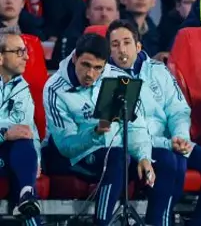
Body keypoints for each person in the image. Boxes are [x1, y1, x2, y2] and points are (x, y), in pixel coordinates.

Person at [106, 20, 201, 226]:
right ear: (109, 50)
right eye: (115, 44)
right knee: (171, 162)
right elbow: (126, 128)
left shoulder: (158, 70)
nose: (122, 50)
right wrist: (168, 144)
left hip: (172, 141)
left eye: (127, 42)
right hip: (140, 148)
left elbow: (178, 109)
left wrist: (180, 136)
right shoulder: (107, 79)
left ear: (138, 46)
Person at [43, 33, 155, 226]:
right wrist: (94, 133)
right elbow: (65, 145)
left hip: (112, 153)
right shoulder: (55, 89)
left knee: (162, 162)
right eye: (85, 65)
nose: (90, 74)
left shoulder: (119, 80)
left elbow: (135, 125)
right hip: (68, 156)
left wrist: (144, 156)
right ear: (75, 57)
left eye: (97, 68)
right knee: (119, 158)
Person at [0, 27, 43, 225]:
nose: (26, 57)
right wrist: (5, 132)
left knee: (25, 144)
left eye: (25, 51)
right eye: (18, 52)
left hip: (11, 155)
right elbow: (13, 131)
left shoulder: (22, 88)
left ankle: (27, 194)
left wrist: (36, 160)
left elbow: (29, 130)